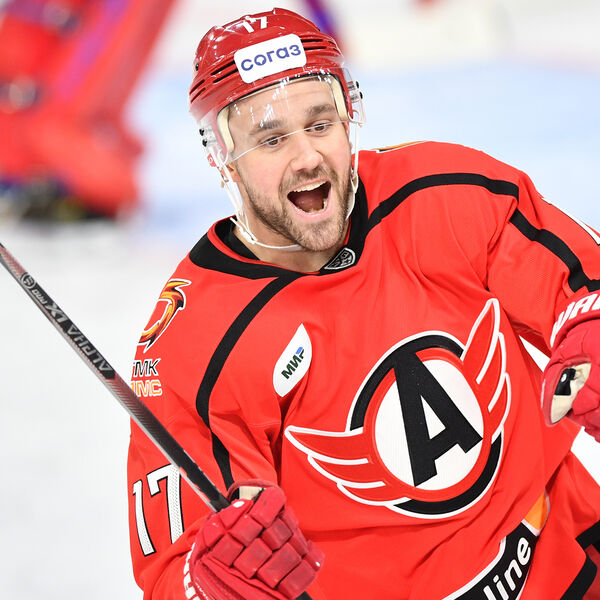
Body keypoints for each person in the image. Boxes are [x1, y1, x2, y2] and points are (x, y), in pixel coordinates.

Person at [127, 7, 600, 599]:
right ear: (222, 157)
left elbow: (579, 283)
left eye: (320, 123)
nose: (307, 157)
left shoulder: (443, 193)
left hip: (569, 558)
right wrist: (212, 584)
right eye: (271, 139)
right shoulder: (196, 344)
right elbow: (176, 564)